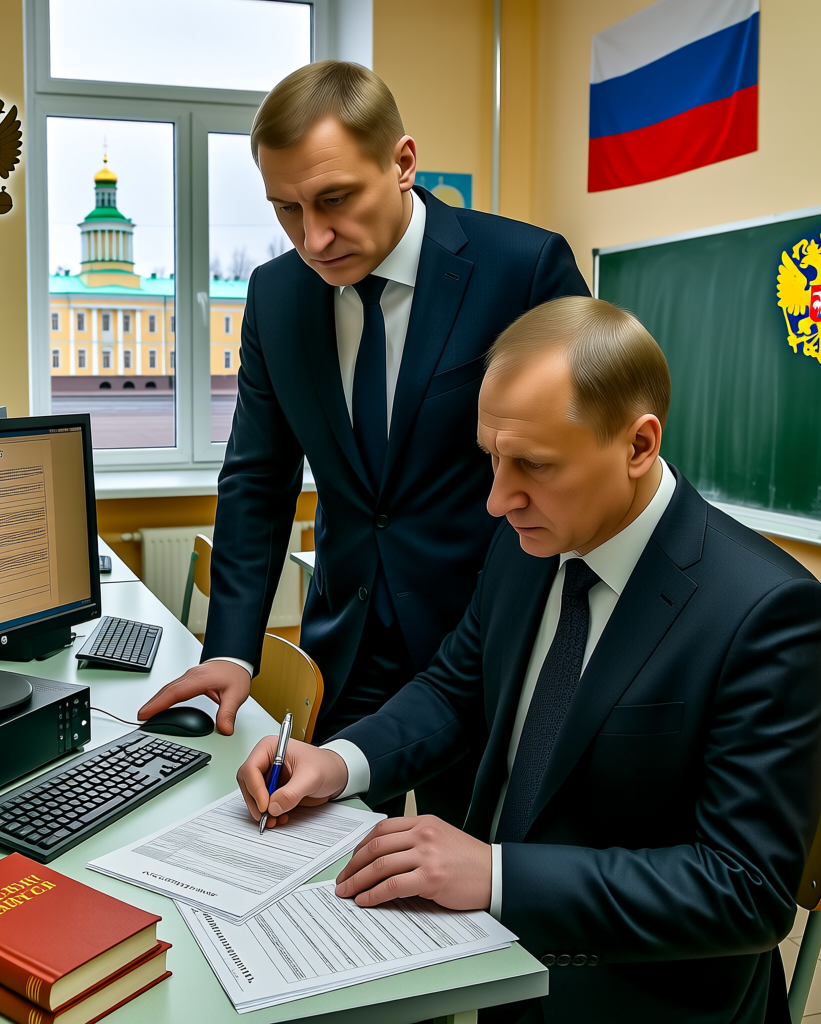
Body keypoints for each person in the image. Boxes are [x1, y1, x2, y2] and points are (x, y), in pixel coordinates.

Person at [235, 296, 821, 1023]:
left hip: (636, 994)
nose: (497, 499)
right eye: (492, 458)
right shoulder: (530, 542)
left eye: (535, 465)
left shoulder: (768, 611)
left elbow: (745, 890)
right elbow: (457, 690)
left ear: (639, 445)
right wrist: (338, 762)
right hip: (495, 961)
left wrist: (496, 875)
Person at [138, 62, 588, 818]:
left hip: (484, 651)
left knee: (462, 871)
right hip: (348, 648)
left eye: (335, 199)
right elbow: (257, 479)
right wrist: (232, 649)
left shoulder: (522, 270)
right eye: (286, 209)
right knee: (309, 850)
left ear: (403, 163)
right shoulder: (277, 295)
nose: (313, 238)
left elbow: (573, 473)